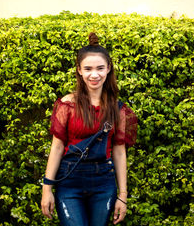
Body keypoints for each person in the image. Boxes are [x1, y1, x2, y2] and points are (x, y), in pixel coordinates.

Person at [41, 32, 137, 226]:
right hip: (69, 182)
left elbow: (119, 152)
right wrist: (47, 189)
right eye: (88, 69)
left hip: (104, 182)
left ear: (108, 68)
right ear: (79, 70)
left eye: (100, 68)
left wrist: (123, 195)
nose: (94, 74)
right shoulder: (67, 104)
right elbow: (57, 148)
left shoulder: (118, 109)